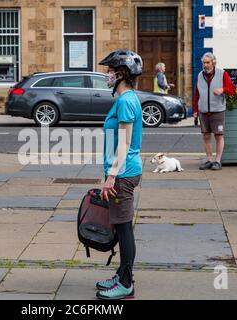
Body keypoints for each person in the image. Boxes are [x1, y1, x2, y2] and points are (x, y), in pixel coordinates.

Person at [96, 49, 143, 300]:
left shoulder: (126, 101)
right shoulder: (128, 98)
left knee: (124, 229)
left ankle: (126, 283)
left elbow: (124, 143)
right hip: (124, 171)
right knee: (122, 227)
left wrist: (111, 176)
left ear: (121, 73)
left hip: (123, 175)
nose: (107, 75)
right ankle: (122, 274)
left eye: (110, 71)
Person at [194, 52, 236, 170]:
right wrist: (196, 110)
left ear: (213, 63)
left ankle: (217, 161)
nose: (205, 65)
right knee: (206, 136)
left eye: (207, 62)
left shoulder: (222, 74)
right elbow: (197, 93)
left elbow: (233, 89)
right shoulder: (199, 75)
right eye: (204, 63)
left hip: (217, 110)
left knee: (218, 136)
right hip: (203, 111)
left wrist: (222, 89)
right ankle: (209, 160)